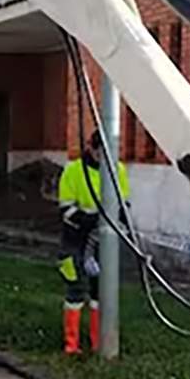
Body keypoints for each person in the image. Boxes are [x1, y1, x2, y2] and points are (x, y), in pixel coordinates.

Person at [57, 131, 130, 354]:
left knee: (101, 292)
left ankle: (99, 342)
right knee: (75, 290)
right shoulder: (73, 170)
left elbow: (124, 203)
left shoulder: (118, 170)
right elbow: (66, 209)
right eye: (99, 151)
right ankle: (71, 345)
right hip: (75, 240)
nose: (103, 156)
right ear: (91, 147)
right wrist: (92, 219)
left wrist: (122, 221)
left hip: (104, 243)